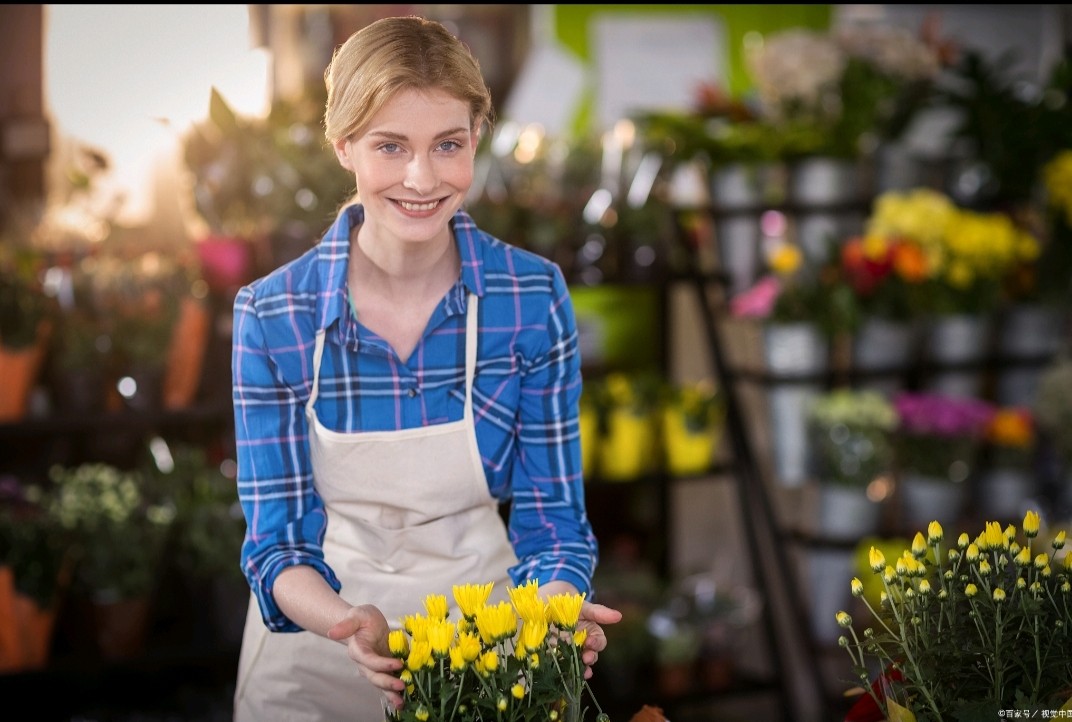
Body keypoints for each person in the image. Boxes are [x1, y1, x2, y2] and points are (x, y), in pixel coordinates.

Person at [230, 15, 622, 722]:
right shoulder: (274, 313)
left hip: (484, 651)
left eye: (448, 144)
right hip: (316, 656)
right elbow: (277, 543)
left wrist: (553, 612)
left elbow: (553, 520)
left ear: (477, 136)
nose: (422, 178)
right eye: (390, 146)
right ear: (343, 144)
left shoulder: (530, 299)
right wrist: (350, 625)